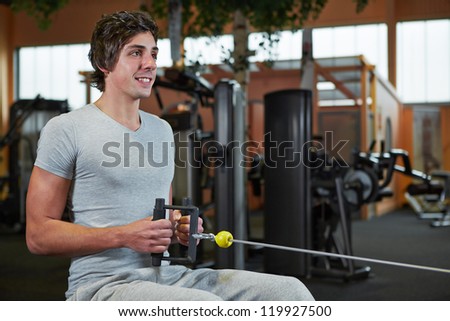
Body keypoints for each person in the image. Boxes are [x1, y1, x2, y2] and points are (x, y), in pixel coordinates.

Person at [26, 10, 314, 301]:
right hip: (103, 286)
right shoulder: (66, 129)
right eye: (136, 53)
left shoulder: (162, 129)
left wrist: (180, 227)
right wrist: (123, 236)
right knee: (205, 307)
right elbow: (38, 236)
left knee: (290, 292)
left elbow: (164, 216)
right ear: (104, 63)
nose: (150, 63)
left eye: (153, 53)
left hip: (170, 277)